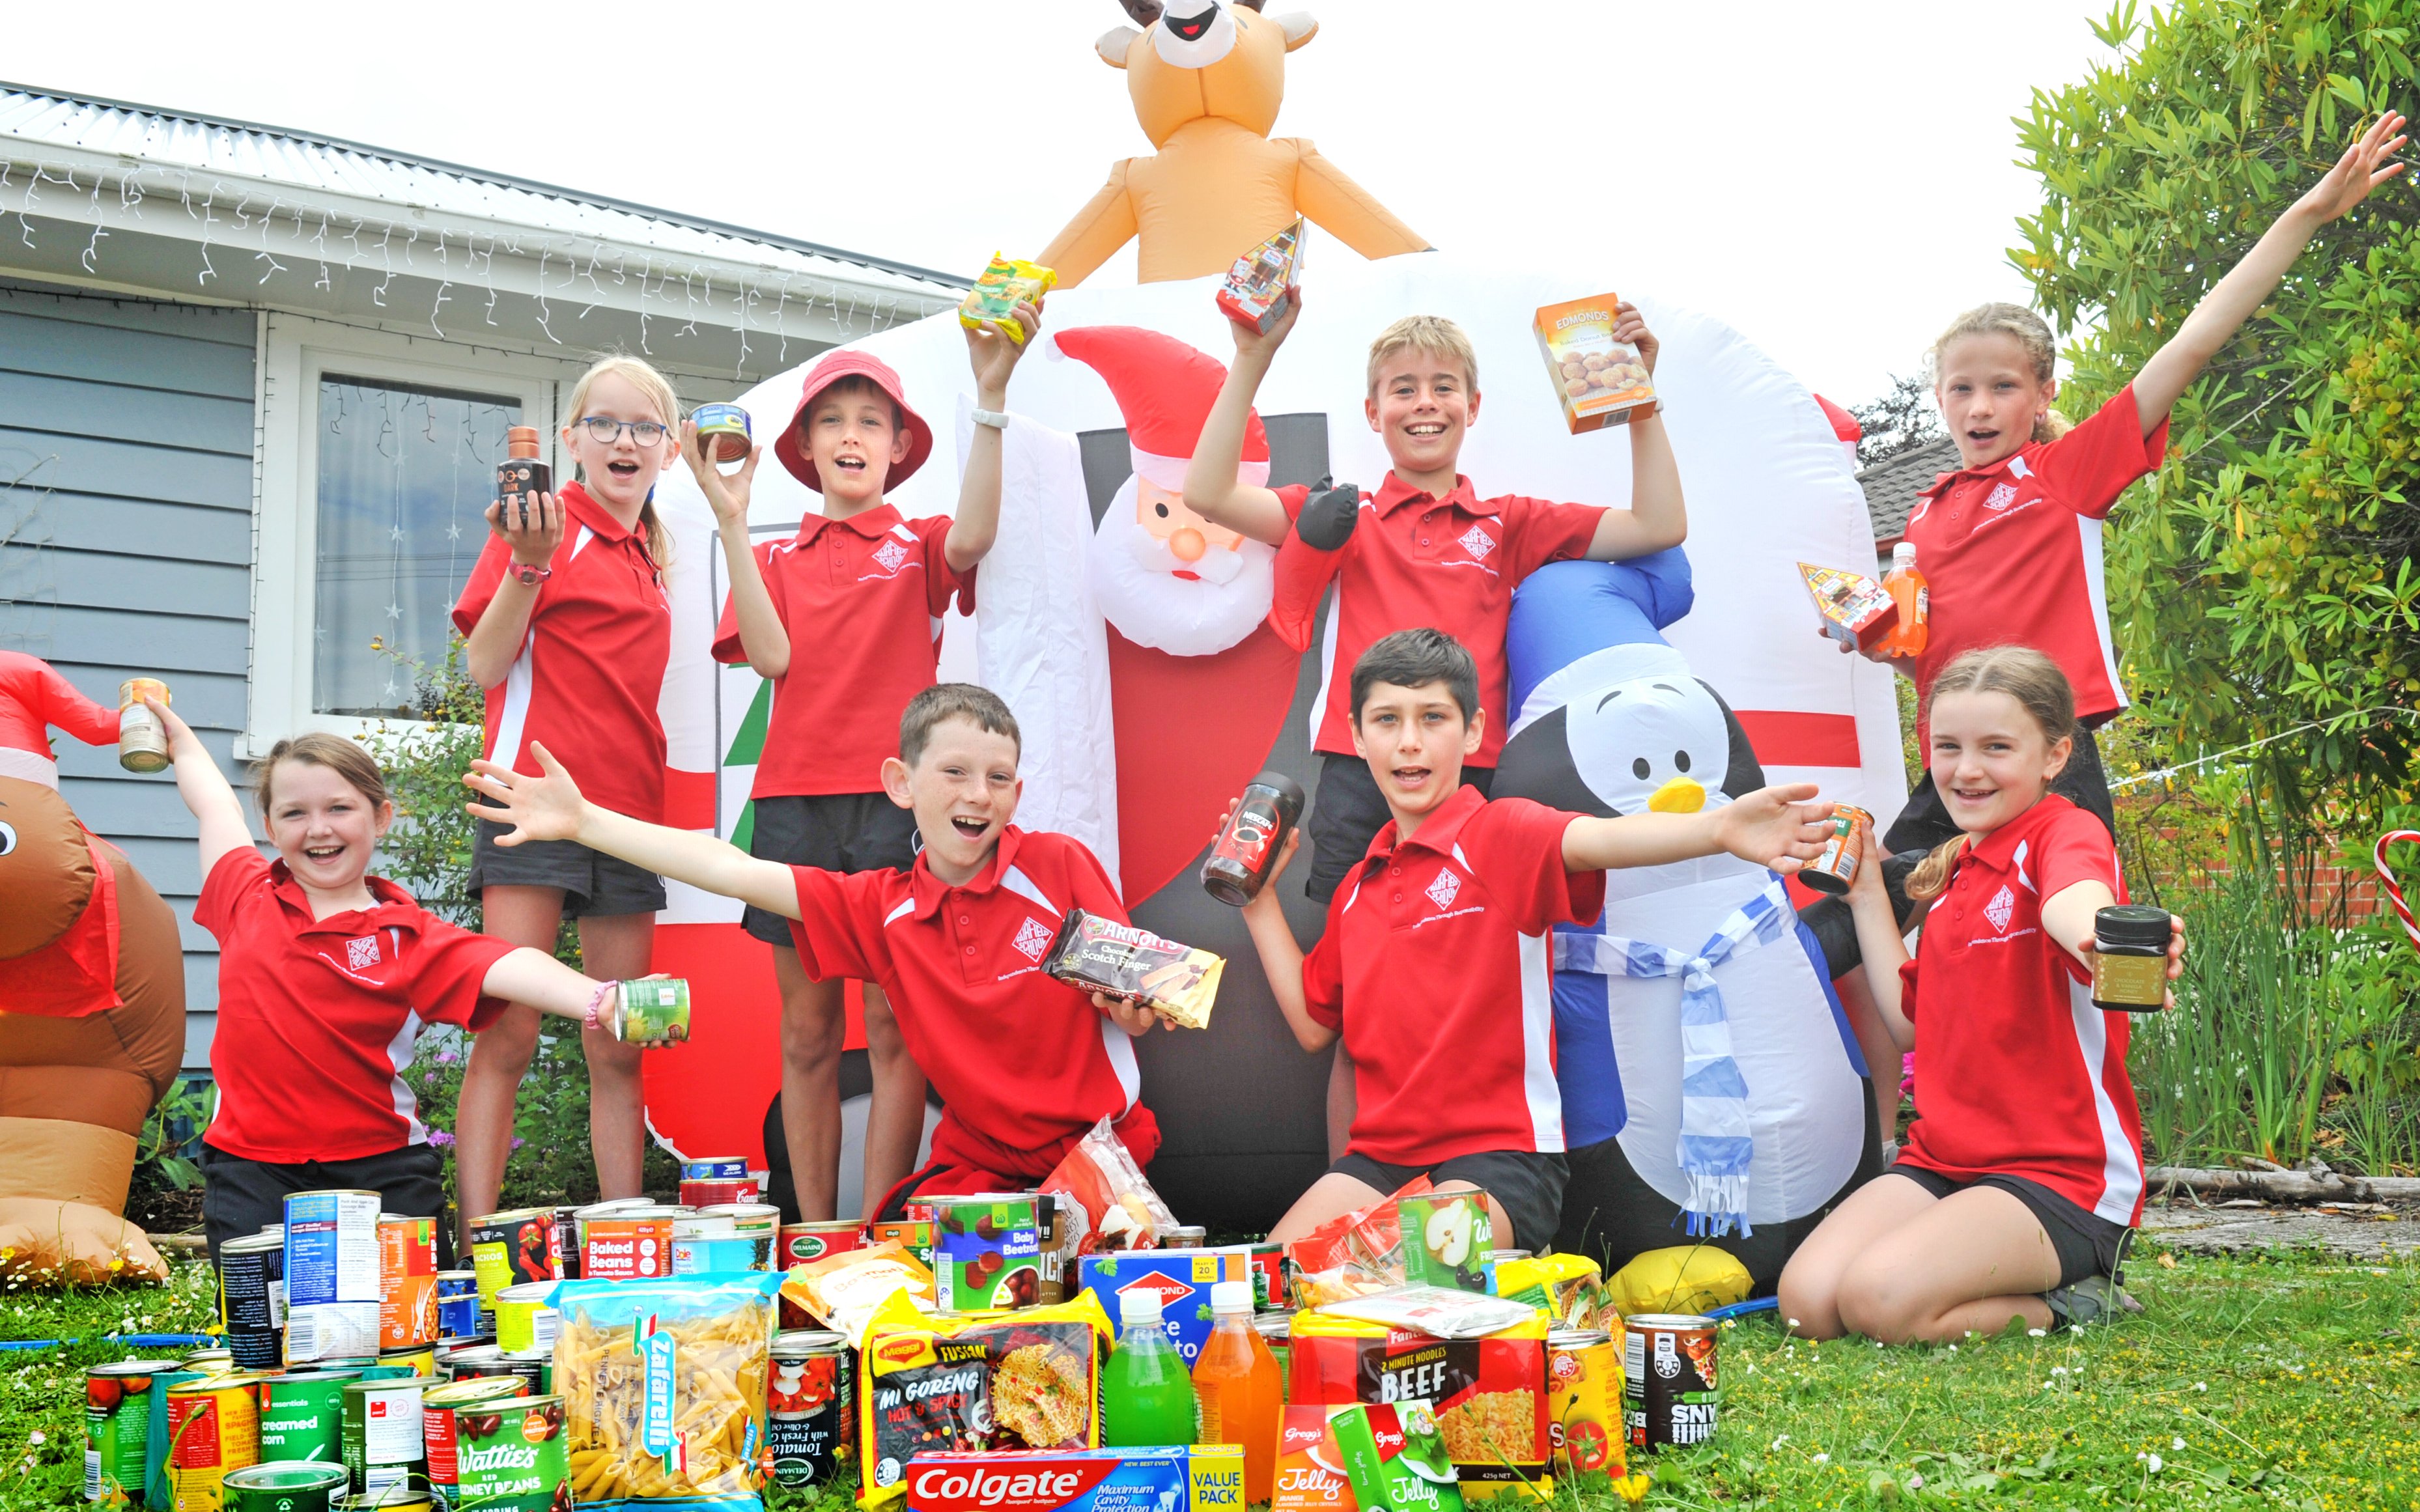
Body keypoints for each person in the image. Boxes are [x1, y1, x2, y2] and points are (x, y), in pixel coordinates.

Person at [1185, 297, 1687, 1151]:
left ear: (1473, 407)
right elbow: (1205, 493)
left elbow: (1658, 526)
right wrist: (1250, 354)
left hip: (1476, 786)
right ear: (1373, 412)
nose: (1425, 402)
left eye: (1444, 386)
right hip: (1359, 776)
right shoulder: (1342, 515)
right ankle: (1358, 1192)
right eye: (1403, 388)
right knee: (1357, 1011)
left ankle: (1489, 1174)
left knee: (1483, 993)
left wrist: (1640, 395)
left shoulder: (1511, 522)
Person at [1868, 110, 2406, 874]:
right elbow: (1924, 654)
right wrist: (1880, 639)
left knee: (2076, 926)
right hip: (1957, 769)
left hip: (2048, 750)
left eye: (2002, 387)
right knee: (1857, 911)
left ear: (2041, 391)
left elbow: (2191, 341)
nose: (1980, 407)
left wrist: (2307, 212)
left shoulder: (2062, 473)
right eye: (1961, 388)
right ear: (1938, 397)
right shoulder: (1923, 510)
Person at [461, 683, 1168, 1215]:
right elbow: (730, 868)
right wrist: (584, 822)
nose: (978, 795)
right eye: (955, 772)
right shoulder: (881, 907)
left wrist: (1138, 1011)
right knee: (900, 1314)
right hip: (978, 1169)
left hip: (1096, 1154)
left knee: (1088, 1311)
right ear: (902, 784)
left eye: (999, 778)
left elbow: (1136, 991)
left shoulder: (1057, 866)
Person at [1232, 630, 1835, 1249]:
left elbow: (1600, 840)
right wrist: (1257, 901)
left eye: (1433, 717)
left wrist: (1719, 828)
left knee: (1391, 1279)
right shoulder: (1358, 888)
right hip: (1379, 1167)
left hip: (1500, 1165)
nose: (1409, 740)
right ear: (1358, 737)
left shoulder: (1499, 832)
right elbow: (1313, 1024)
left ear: (1471, 732)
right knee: (1272, 1286)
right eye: (1387, 719)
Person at [693, 309, 1039, 1223]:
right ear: (807, 446)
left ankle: (880, 1225)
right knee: (808, 1033)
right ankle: (817, 1235)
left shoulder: (918, 543)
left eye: (871, 420)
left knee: (895, 1028)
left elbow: (973, 535)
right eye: (833, 419)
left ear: (896, 445)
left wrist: (992, 396)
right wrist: (730, 523)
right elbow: (768, 658)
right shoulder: (771, 554)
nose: (852, 434)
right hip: (796, 812)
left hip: (898, 812)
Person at [1775, 648, 2186, 1342]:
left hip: (2059, 1179)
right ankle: (1961, 1263)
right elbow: (1911, 1028)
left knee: (1880, 1303)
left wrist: (2098, 937)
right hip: (1942, 1162)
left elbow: (2073, 900)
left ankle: (2079, 1300)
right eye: (1947, 747)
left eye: (1996, 748)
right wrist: (1869, 893)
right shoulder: (1958, 870)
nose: (1966, 770)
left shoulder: (2062, 833)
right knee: (1806, 1304)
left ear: (2053, 755)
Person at [155, 706, 637, 1259]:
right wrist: (182, 741)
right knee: (262, 1332)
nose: (318, 828)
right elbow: (215, 805)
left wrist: (601, 1000)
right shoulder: (244, 896)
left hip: (381, 1172)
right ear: (270, 828)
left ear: (381, 817)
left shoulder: (409, 937)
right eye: (294, 813)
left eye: (340, 808)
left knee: (407, 1335)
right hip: (251, 1171)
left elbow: (514, 965)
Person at [448, 354, 685, 1234]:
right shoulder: (545, 530)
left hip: (624, 820)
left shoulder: (648, 551)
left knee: (618, 1040)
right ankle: (477, 1246)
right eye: (608, 424)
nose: (626, 440)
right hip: (532, 801)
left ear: (666, 448)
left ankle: (624, 1235)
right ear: (572, 438)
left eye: (645, 427)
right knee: (507, 1031)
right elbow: (483, 663)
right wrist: (531, 564)